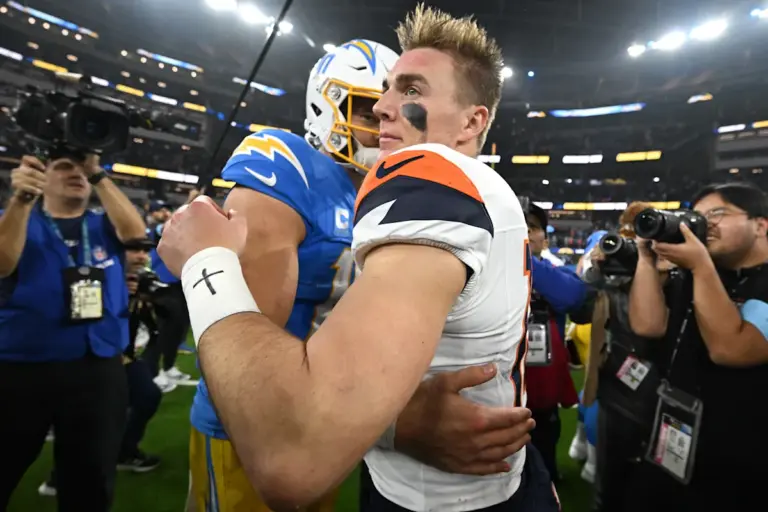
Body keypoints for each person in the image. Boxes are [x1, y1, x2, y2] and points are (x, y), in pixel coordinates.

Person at [159, 5, 557, 512]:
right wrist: (391, 424)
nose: (385, 110)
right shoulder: (301, 169)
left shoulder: (425, 185)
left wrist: (203, 258)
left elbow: (299, 438)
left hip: (329, 418)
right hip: (257, 417)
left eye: (408, 93)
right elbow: (241, 357)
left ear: (472, 120)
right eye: (376, 99)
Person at [182, 38, 399, 512]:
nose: (383, 126)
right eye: (367, 112)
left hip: (324, 420)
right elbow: (245, 339)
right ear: (327, 105)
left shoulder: (382, 194)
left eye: (392, 113)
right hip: (252, 422)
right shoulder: (289, 166)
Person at [0, 151, 146, 511]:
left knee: (90, 480)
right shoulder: (20, 218)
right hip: (22, 367)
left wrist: (98, 173)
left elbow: (136, 235)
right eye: (65, 166)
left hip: (97, 368)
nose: (76, 173)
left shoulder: (102, 224)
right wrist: (21, 199)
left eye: (82, 169)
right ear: (42, 176)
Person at [624, 182, 768, 511]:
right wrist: (646, 259)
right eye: (698, 215)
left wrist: (701, 266)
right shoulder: (697, 273)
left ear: (760, 225)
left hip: (742, 457)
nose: (705, 223)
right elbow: (648, 325)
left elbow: (731, 349)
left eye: (718, 213)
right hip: (674, 437)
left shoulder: (711, 272)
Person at [38, 240, 163, 498]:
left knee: (146, 396)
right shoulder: (90, 273)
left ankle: (124, 451)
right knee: (86, 418)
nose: (141, 256)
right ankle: (60, 477)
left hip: (120, 356)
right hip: (88, 356)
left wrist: (139, 299)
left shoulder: (138, 281)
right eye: (134, 249)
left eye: (145, 250)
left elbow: (146, 322)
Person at [143, 199, 191, 389]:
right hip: (162, 286)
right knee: (161, 332)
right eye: (160, 210)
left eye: (167, 209)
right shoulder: (152, 230)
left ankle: (169, 366)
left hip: (179, 284)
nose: (165, 212)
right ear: (152, 213)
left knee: (178, 330)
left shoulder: (176, 232)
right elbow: (164, 228)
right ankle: (152, 373)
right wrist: (189, 202)